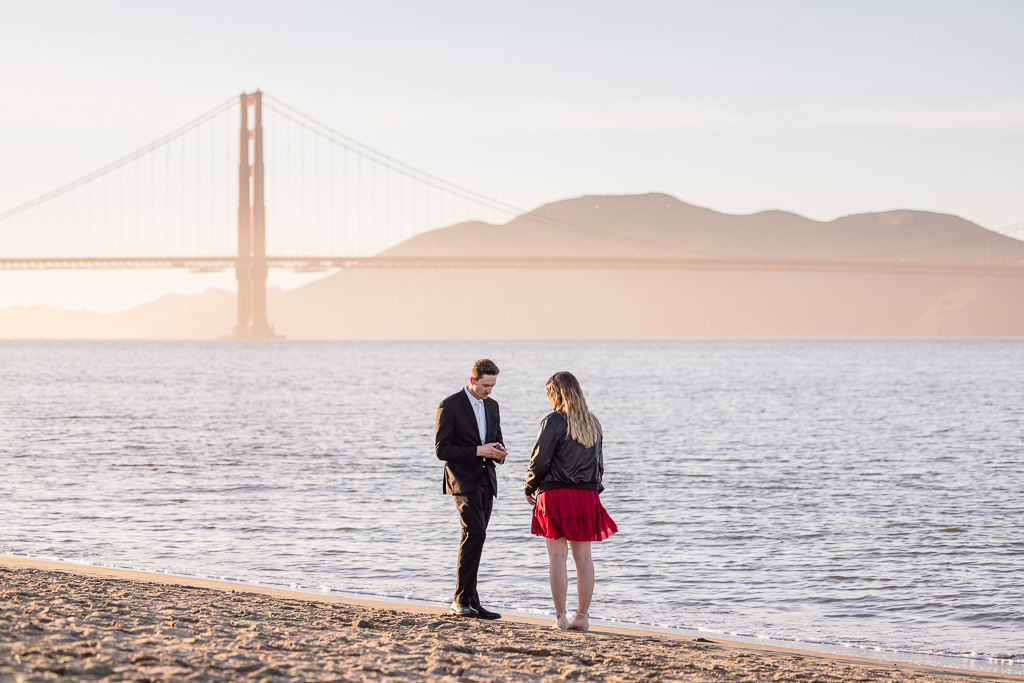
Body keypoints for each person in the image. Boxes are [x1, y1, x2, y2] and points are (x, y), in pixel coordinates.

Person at [524, 371, 617, 631]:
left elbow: (540, 460)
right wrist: (593, 492)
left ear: (556, 394)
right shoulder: (593, 423)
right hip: (586, 494)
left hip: (555, 493)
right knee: (584, 558)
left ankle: (561, 617)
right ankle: (583, 617)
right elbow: (599, 463)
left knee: (557, 556)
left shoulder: (553, 421)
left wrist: (529, 485)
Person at [434, 358, 508, 619]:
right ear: (472, 380)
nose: (489, 390)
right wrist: (478, 450)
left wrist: (500, 452)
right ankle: (460, 600)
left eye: (493, 385)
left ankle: (472, 600)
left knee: (479, 536)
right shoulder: (450, 405)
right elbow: (442, 449)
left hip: (486, 478)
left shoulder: (493, 406)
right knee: (474, 533)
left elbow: (496, 439)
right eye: (486, 385)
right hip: (462, 479)